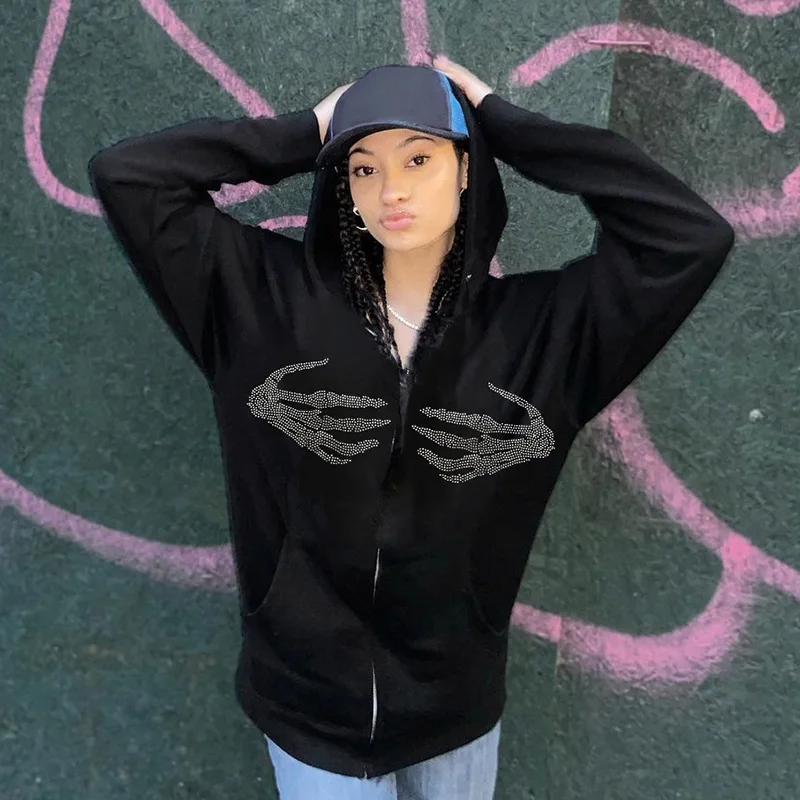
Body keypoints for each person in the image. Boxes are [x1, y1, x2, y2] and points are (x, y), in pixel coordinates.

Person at [87, 55, 735, 798]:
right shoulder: (258, 301)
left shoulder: (544, 334)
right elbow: (129, 177)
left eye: (419, 159)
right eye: (363, 168)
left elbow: (687, 237)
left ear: (466, 170)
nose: (390, 189)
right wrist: (307, 133)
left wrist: (507, 127)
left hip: (455, 708)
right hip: (310, 713)